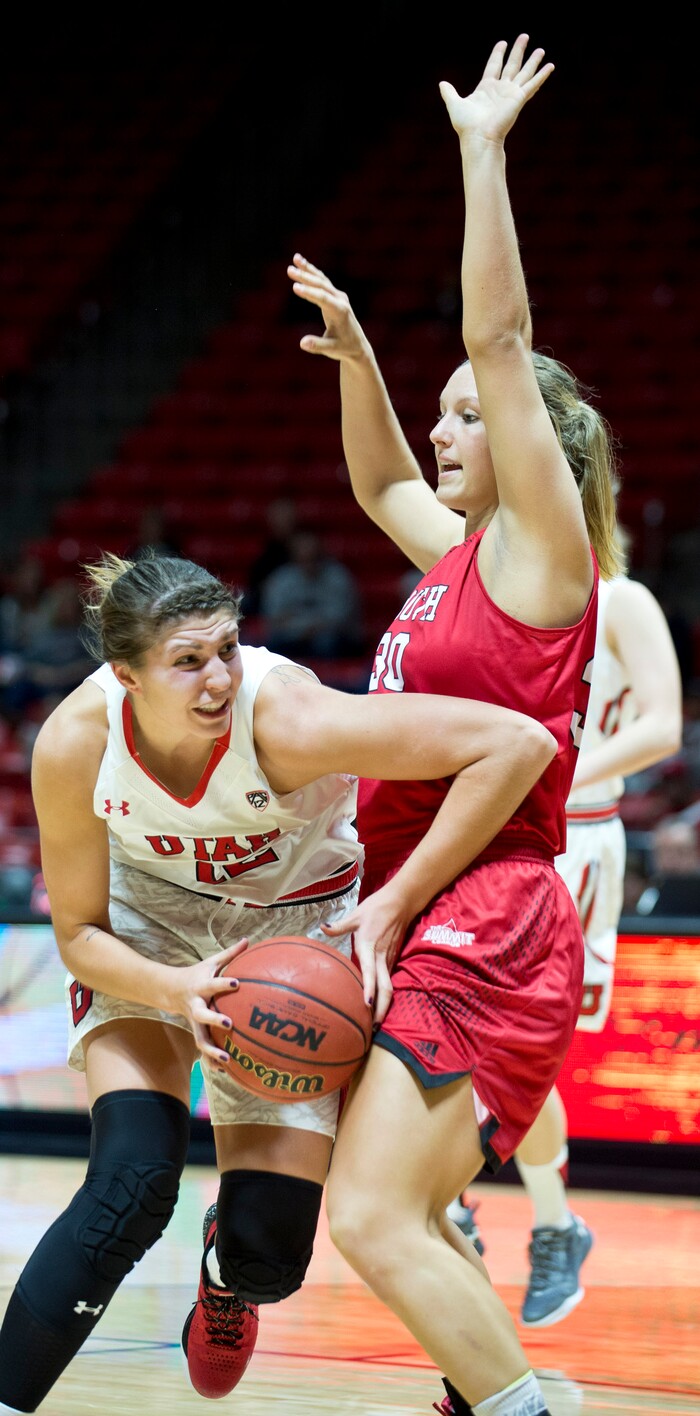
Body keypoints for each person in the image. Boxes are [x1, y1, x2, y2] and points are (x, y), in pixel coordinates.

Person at [0, 550, 554, 1414]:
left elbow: (516, 743)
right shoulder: (76, 744)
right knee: (130, 1187)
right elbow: (77, 932)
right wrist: (169, 987)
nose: (217, 678)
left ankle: (228, 1272)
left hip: (294, 935)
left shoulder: (288, 717)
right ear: (125, 675)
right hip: (148, 931)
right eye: (187, 662)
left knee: (271, 1253)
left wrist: (399, 901)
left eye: (226, 649)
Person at [288, 34, 623, 1416]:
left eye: (465, 418)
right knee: (399, 1220)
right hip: (447, 909)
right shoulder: (455, 550)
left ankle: (523, 1408)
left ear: (534, 445)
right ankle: (502, 1394)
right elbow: (375, 482)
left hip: (487, 908)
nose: (442, 433)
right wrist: (363, 355)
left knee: (370, 1221)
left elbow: (502, 335)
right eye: (442, 415)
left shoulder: (545, 551)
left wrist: (481, 152)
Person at [448, 573, 684, 1323]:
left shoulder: (620, 599)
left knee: (523, 1056)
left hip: (574, 838)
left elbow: (662, 728)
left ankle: (551, 1222)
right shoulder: (479, 581)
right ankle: (451, 1200)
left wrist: (535, 765)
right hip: (479, 827)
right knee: (445, 1022)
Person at [259, 524, 365, 661]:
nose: (308, 560)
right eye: (303, 555)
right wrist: (305, 628)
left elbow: (340, 618)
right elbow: (274, 617)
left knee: (328, 643)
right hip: (292, 637)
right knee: (272, 646)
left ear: (320, 552)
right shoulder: (281, 579)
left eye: (313, 556)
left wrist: (300, 622)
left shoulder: (338, 577)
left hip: (330, 639)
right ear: (293, 554)